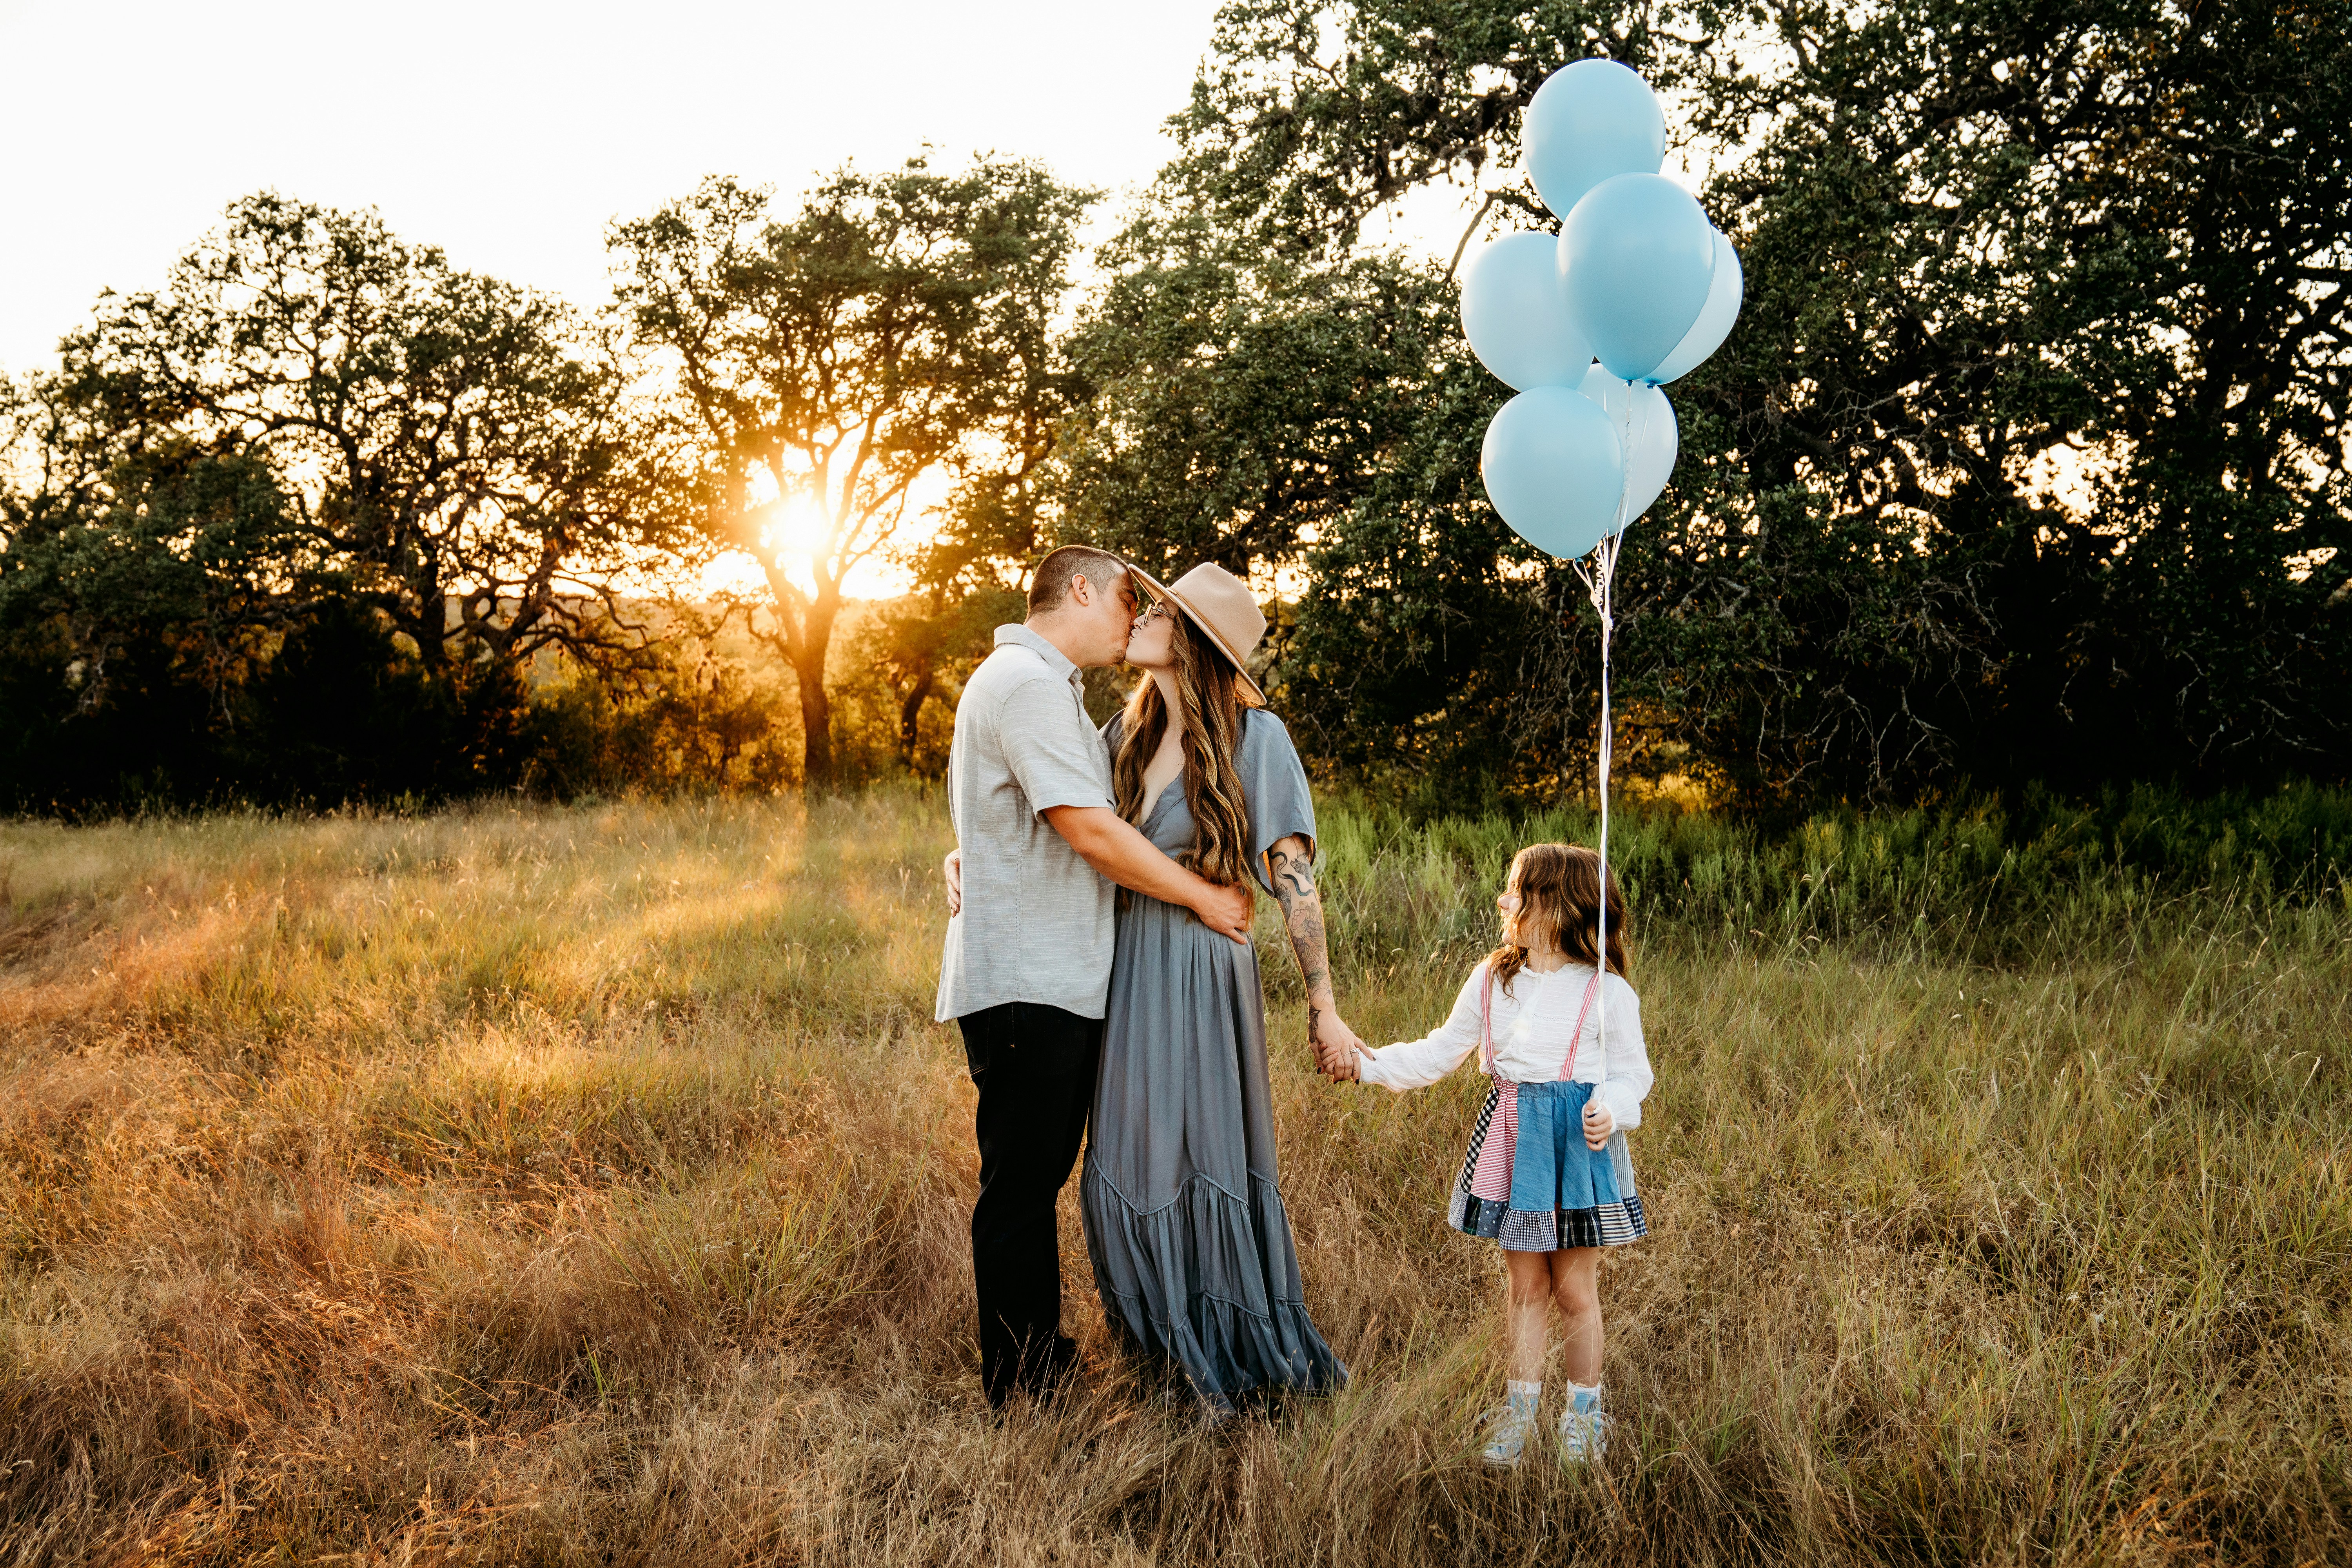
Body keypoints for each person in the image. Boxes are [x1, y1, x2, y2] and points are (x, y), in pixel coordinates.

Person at [935, 544, 1257, 1410]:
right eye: (1124, 596)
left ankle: (1039, 1362)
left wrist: (974, 849)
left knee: (1030, 1179)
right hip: (1028, 984)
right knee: (1020, 1188)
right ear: (1078, 589)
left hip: (1046, 978)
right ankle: (1025, 1383)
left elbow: (1014, 808)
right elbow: (1088, 830)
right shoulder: (1029, 684)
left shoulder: (1046, 690)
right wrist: (1206, 899)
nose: (1132, 616)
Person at [1080, 562, 1361, 1412]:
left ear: (1192, 639)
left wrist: (1324, 1003)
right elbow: (1055, 816)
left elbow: (1294, 879)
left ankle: (1229, 1340)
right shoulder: (1119, 736)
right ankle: (1158, 1343)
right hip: (1126, 965)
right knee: (1124, 1157)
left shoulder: (1255, 737)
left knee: (1202, 1152)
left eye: (1160, 608)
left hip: (1204, 970)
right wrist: (960, 860)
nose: (1141, 613)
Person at [1321, 842, 1654, 1466]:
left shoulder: (1607, 994)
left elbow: (1636, 1076)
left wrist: (1613, 1105)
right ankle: (1520, 1409)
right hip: (1516, 1145)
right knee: (1526, 1287)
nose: (1507, 903)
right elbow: (1437, 1052)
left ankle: (1584, 1412)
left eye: (1520, 892)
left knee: (1574, 1290)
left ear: (1560, 907)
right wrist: (1366, 1067)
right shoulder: (1492, 978)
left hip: (1578, 1151)